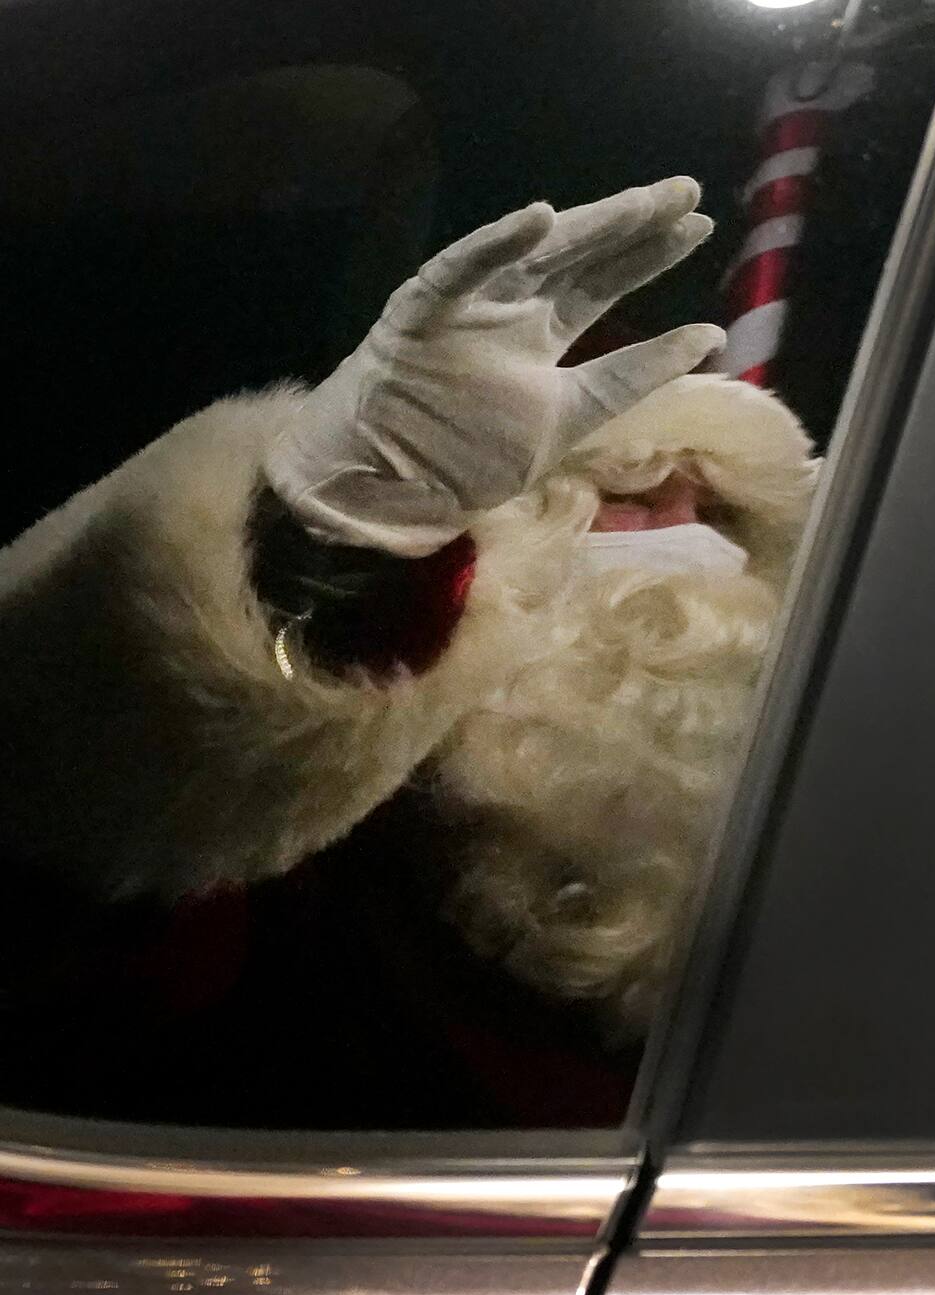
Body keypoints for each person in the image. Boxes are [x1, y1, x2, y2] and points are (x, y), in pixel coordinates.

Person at [0, 176, 818, 1126]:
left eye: (722, 518)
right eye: (623, 496)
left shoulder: (851, 917)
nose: (683, 546)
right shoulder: (321, 861)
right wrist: (339, 545)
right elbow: (57, 884)